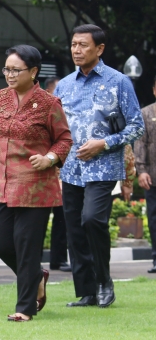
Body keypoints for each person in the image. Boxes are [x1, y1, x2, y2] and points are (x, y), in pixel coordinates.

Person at [0, 45, 72, 322]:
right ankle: (37, 277)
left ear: (33, 71)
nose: (9, 74)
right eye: (6, 69)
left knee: (27, 246)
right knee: (2, 244)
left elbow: (64, 139)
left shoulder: (49, 103)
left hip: (35, 186)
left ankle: (25, 308)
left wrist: (50, 158)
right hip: (0, 185)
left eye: (16, 70)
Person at [54, 24, 144, 309]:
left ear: (99, 49)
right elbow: (56, 129)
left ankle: (104, 281)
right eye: (73, 45)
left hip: (103, 167)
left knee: (92, 219)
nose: (76, 50)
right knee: (74, 229)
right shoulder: (64, 85)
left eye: (83, 45)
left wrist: (103, 144)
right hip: (69, 169)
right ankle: (87, 291)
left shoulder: (119, 82)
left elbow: (136, 126)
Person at [42, 77, 71, 272]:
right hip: (44, 172)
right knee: (37, 221)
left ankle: (58, 259)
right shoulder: (42, 111)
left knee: (62, 218)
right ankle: (34, 262)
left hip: (65, 172)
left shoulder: (66, 113)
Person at [134, 77, 156, 273]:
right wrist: (141, 171)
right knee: (154, 217)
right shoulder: (145, 113)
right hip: (153, 177)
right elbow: (140, 144)